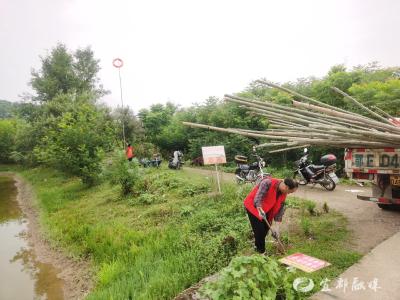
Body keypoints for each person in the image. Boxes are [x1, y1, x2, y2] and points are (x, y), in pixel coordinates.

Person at [244, 177, 298, 254]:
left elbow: (279, 210)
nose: (289, 194)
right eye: (290, 192)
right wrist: (260, 209)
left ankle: (257, 247)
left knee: (266, 229)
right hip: (253, 206)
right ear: (286, 187)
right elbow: (258, 198)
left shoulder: (283, 193)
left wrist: (277, 228)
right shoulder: (267, 183)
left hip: (266, 209)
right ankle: (261, 253)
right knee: (260, 231)